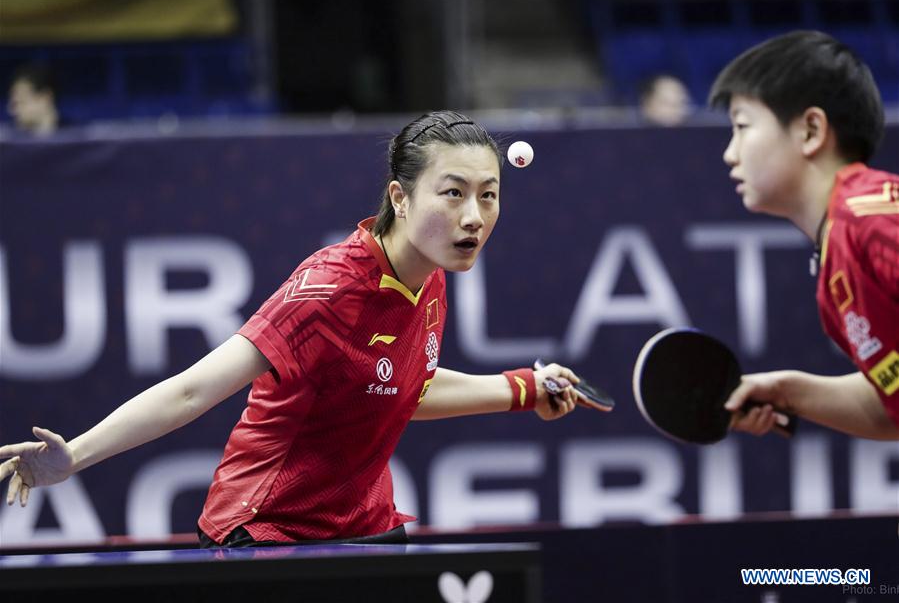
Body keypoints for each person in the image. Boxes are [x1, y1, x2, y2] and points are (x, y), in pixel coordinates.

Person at [0, 110, 584, 546]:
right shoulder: (330, 288)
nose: (473, 217)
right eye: (453, 193)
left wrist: (526, 388)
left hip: (365, 526)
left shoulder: (429, 278)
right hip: (269, 532)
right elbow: (193, 388)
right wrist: (73, 457)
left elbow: (405, 385)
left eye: (488, 196)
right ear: (400, 199)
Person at [708, 31, 899, 441]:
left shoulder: (875, 218)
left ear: (811, 130)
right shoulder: (836, 266)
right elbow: (891, 406)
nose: (730, 152)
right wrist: (791, 392)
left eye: (743, 126)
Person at [6, 62, 61, 136]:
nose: (11, 111)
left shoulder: (77, 137)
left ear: (45, 98)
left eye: (20, 102)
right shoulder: (7, 139)